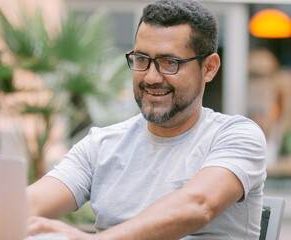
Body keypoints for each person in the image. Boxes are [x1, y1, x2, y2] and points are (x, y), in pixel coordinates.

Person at [26, 0, 267, 239]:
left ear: (209, 68)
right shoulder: (102, 145)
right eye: (141, 59)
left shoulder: (237, 136)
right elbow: (29, 204)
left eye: (169, 62)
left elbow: (197, 207)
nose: (151, 77)